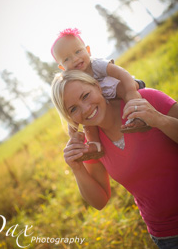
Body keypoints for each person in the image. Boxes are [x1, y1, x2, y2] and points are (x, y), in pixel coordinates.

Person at [51, 70, 178, 249]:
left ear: (97, 86)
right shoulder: (93, 146)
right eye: (73, 109)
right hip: (167, 236)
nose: (85, 108)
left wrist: (159, 120)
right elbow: (100, 201)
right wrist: (77, 168)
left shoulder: (145, 100)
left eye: (86, 96)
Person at [51, 28, 150, 161]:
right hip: (97, 99)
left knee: (123, 90)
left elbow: (121, 74)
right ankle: (95, 145)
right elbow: (74, 108)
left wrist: (131, 90)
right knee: (87, 121)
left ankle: (138, 116)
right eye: (67, 59)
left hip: (117, 86)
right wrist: (73, 134)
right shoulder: (73, 78)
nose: (75, 59)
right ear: (62, 68)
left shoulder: (96, 64)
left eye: (78, 51)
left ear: (88, 50)